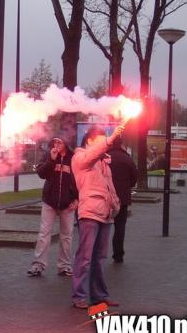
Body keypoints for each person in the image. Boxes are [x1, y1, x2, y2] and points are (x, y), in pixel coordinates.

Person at [71, 125, 124, 309]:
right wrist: (110, 139)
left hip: (106, 214)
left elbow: (110, 187)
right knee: (84, 257)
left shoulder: (104, 163)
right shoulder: (80, 158)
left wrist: (115, 205)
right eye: (101, 140)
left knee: (100, 258)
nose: (105, 143)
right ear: (90, 142)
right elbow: (91, 155)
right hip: (90, 213)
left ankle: (99, 296)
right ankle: (79, 296)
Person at [27, 136, 78, 277]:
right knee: (44, 233)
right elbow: (41, 174)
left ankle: (64, 266)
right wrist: (51, 160)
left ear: (66, 143)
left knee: (67, 235)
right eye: (55, 142)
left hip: (68, 203)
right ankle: (38, 264)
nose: (56, 144)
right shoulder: (49, 155)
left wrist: (77, 198)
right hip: (49, 201)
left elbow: (80, 179)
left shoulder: (73, 158)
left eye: (59, 142)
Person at [108, 138, 138, 263]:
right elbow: (134, 179)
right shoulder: (127, 159)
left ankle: (96, 254)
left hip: (105, 198)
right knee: (120, 227)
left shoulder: (105, 157)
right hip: (122, 198)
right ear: (121, 144)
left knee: (100, 227)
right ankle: (118, 254)